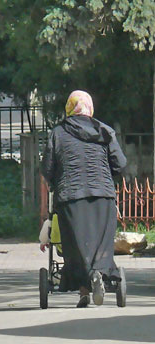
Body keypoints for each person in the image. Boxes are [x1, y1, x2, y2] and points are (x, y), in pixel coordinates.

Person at [41, 90, 126, 308]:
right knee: (100, 241)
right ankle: (97, 276)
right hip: (103, 197)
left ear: (69, 108)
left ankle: (84, 290)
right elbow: (119, 164)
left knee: (77, 246)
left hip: (71, 198)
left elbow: (47, 169)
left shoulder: (58, 133)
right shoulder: (105, 131)